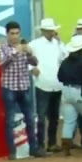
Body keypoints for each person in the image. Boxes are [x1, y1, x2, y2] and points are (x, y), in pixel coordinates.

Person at [0, 21, 46, 159]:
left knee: (30, 119)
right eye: (12, 33)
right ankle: (12, 152)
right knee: (9, 120)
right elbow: (2, 63)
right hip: (9, 87)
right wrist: (15, 52)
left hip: (24, 86)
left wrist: (30, 54)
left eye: (17, 33)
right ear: (7, 34)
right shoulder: (2, 47)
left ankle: (33, 148)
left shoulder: (25, 46)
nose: (15, 36)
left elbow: (35, 63)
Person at [29, 17, 66, 153]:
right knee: (42, 116)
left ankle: (51, 143)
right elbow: (27, 59)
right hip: (42, 83)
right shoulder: (34, 44)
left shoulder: (58, 45)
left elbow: (65, 56)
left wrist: (60, 42)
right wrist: (31, 68)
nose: (53, 33)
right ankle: (40, 144)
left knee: (54, 116)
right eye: (51, 31)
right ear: (44, 31)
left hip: (56, 83)